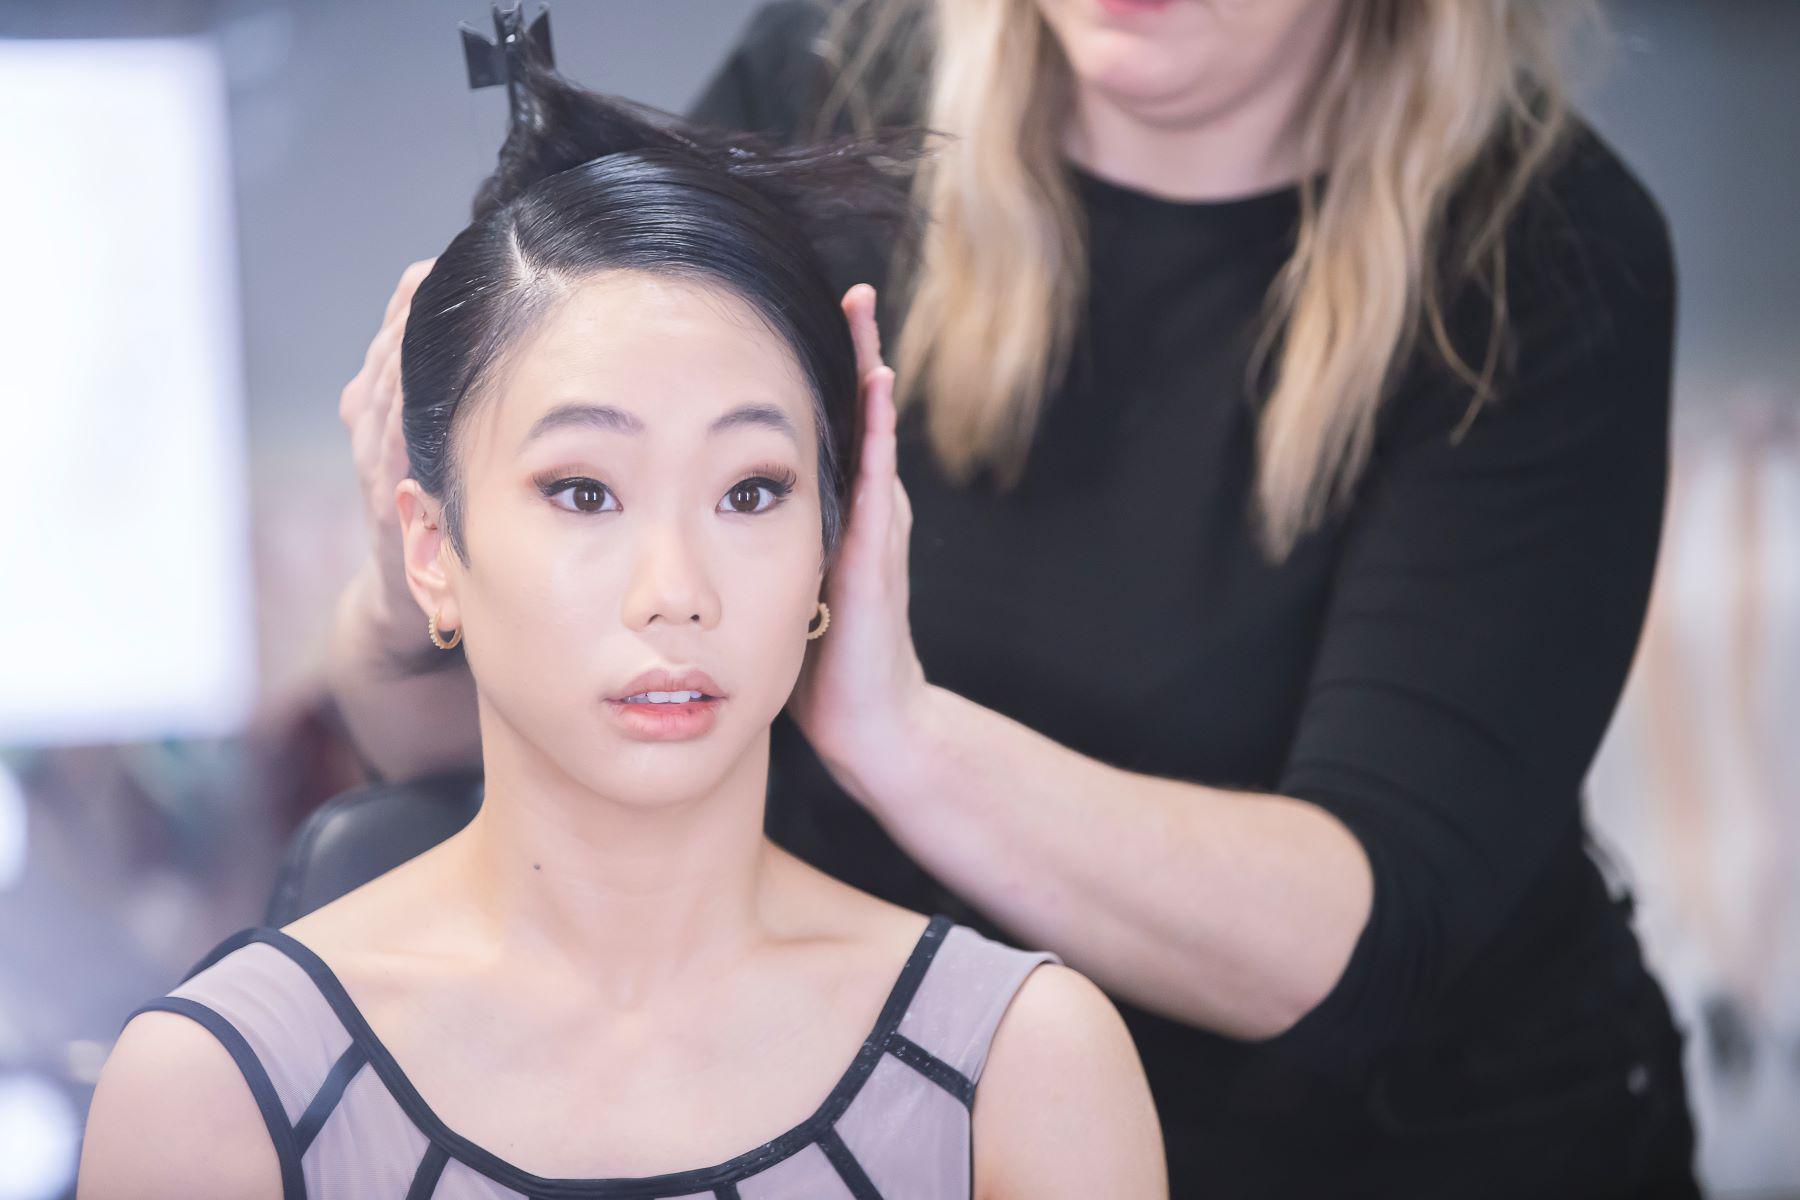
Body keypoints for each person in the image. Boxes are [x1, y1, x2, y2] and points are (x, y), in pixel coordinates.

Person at [325, 1, 1701, 1196]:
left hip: (1399, 1148)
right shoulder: (840, 86)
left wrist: (894, 735)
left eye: (749, 496)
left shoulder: (1542, 262)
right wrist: (417, 599)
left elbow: (1346, 937)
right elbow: (453, 732)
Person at [75, 47, 1166, 1200]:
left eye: (752, 491)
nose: (676, 588)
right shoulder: (213, 1091)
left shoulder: (1023, 1066)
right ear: (434, 548)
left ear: (836, 545)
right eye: (583, 491)